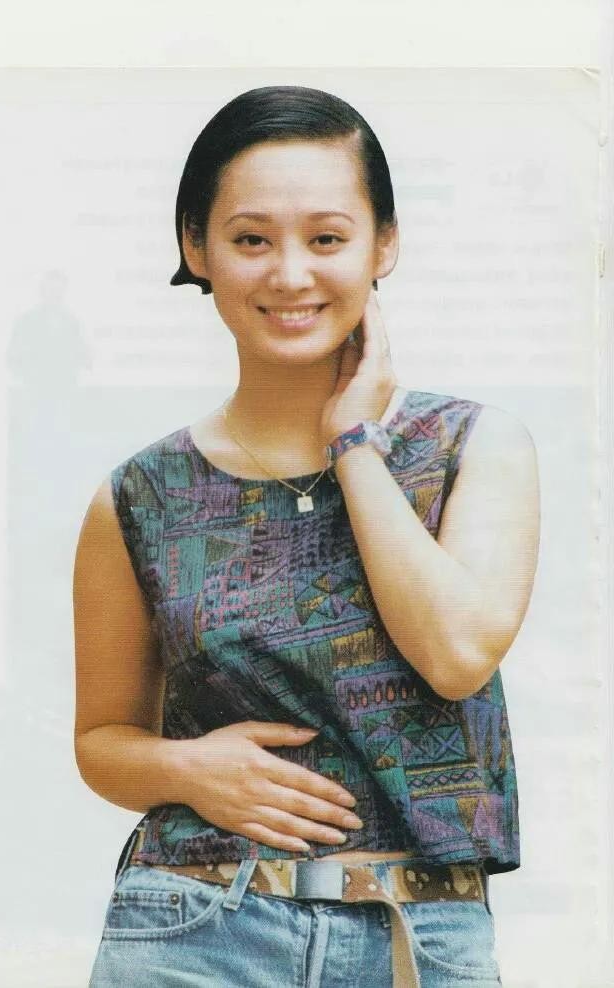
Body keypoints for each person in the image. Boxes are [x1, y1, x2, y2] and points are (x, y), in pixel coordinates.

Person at [73, 85, 540, 988]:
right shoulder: (139, 494)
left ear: (384, 245)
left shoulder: (472, 447)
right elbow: (101, 740)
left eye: (327, 239)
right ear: (196, 247)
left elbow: (455, 655)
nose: (290, 275)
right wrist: (189, 770)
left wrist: (353, 443)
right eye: (251, 240)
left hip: (420, 938)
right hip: (194, 928)